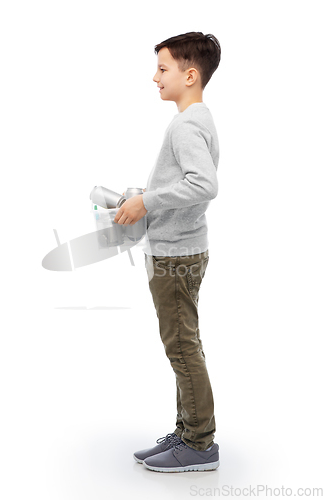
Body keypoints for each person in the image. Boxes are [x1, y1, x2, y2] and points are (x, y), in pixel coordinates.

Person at [114, 31, 221, 473]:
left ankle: (199, 444)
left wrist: (147, 202)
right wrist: (142, 193)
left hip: (176, 256)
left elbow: (204, 184)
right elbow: (187, 183)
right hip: (181, 250)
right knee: (184, 344)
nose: (154, 77)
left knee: (182, 348)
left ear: (189, 75)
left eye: (163, 69)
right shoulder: (197, 120)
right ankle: (188, 429)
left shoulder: (186, 124)